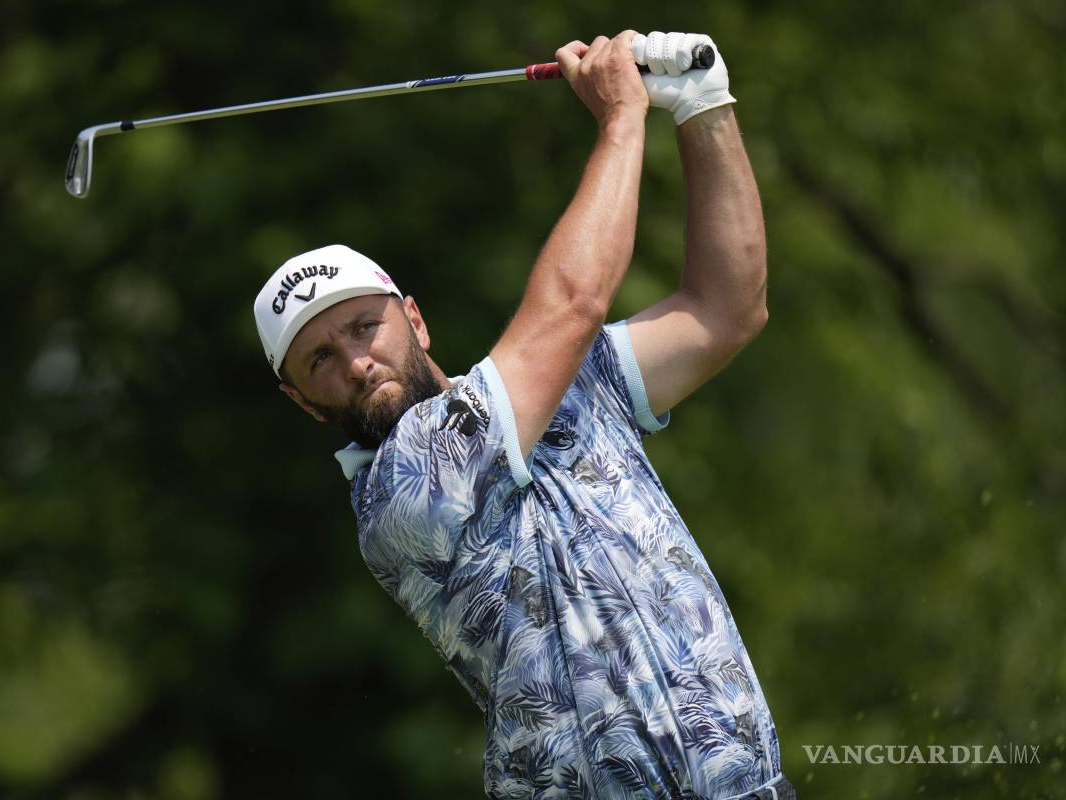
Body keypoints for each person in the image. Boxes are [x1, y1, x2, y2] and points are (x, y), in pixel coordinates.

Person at [254, 29, 792, 800]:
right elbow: (573, 303)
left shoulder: (565, 382)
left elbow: (727, 308)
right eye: (319, 361)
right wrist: (621, 120)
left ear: (415, 319)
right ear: (303, 403)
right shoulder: (399, 492)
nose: (354, 362)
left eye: (362, 327)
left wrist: (705, 108)